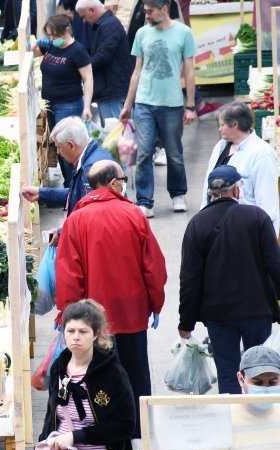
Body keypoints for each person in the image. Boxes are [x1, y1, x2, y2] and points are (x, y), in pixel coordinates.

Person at [56, 160, 167, 450]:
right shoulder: (134, 215)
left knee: (99, 373)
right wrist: (156, 302)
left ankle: (106, 432)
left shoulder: (76, 221)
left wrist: (68, 314)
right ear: (113, 183)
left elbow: (70, 273)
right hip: (132, 310)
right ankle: (140, 433)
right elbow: (153, 266)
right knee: (136, 369)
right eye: (122, 177)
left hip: (94, 318)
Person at [179, 165, 280, 395]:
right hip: (256, 310)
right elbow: (275, 265)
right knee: (260, 370)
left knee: (227, 372)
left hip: (218, 315)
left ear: (210, 193)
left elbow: (189, 278)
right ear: (236, 191)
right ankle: (259, 418)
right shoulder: (257, 217)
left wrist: (186, 322)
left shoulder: (197, 224)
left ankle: (233, 422)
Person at [39, 299, 135, 450]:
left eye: (83, 331)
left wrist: (76, 436)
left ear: (95, 334)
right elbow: (52, 414)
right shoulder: (59, 369)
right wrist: (42, 448)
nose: (76, 337)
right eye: (70, 331)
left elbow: (125, 425)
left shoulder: (112, 373)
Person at [119, 0, 197, 218]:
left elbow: (190, 72)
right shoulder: (142, 34)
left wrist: (190, 105)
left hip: (172, 103)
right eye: (144, 11)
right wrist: (128, 105)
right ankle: (144, 200)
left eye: (150, 11)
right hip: (144, 103)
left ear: (165, 9)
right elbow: (136, 72)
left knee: (174, 152)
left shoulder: (183, 33)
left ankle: (178, 193)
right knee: (144, 152)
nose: (146, 15)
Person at [199, 101, 279, 235]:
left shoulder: (261, 154)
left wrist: (265, 244)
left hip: (243, 232)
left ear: (235, 125)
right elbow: (206, 186)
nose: (219, 129)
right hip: (215, 228)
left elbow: (267, 204)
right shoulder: (220, 146)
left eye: (222, 125)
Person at [34, 13, 94, 187]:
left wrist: (87, 106)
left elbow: (88, 79)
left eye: (55, 35)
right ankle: (69, 186)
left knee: (70, 148)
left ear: (66, 30)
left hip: (68, 105)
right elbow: (31, 52)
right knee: (59, 147)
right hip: (50, 104)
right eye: (49, 35)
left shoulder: (77, 51)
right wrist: (39, 42)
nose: (52, 38)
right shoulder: (51, 46)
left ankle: (76, 186)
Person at [21, 116, 114, 226]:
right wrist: (41, 193)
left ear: (71, 145)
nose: (58, 152)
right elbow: (77, 195)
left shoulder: (90, 170)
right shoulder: (93, 154)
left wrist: (62, 233)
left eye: (59, 147)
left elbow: (89, 219)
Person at [77, 0, 131, 126]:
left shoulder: (109, 25)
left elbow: (103, 56)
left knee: (115, 136)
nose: (84, 21)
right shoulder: (106, 24)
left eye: (84, 16)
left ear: (92, 10)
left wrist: (82, 68)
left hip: (112, 92)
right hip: (109, 90)